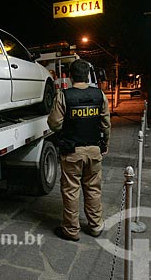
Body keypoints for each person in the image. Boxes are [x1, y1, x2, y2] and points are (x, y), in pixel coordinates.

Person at [47, 59, 111, 241]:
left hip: (72, 152)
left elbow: (54, 124)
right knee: (93, 189)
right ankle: (96, 225)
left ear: (69, 76)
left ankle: (71, 230)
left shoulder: (63, 96)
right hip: (94, 150)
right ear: (88, 75)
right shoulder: (100, 95)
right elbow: (106, 124)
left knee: (71, 191)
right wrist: (105, 143)